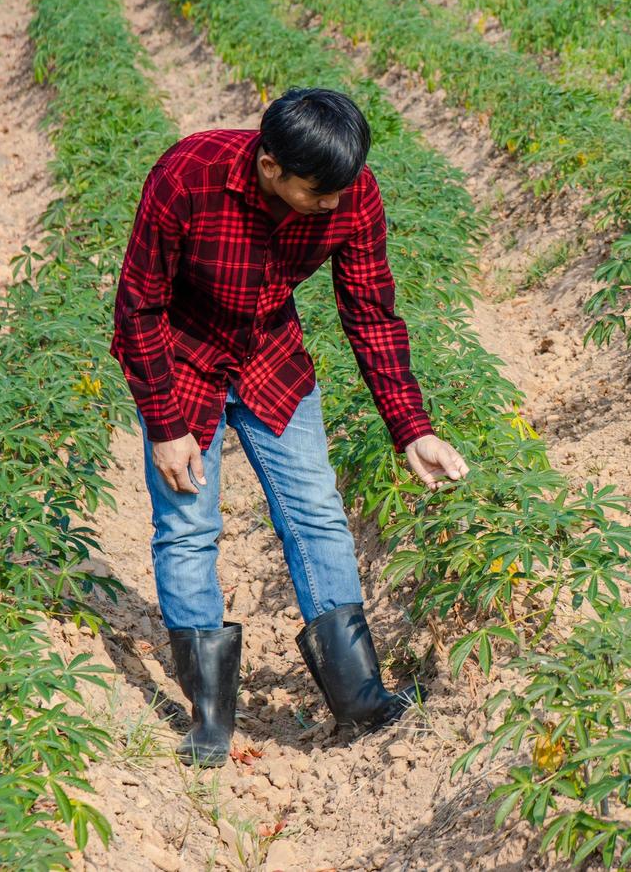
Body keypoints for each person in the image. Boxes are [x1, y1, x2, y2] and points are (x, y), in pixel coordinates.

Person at [110, 87, 469, 767]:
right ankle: (210, 720)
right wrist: (165, 425)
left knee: (317, 514)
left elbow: (371, 313)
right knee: (188, 525)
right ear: (269, 166)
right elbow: (139, 307)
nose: (334, 203)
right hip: (182, 360)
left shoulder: (349, 191)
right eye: (318, 191)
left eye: (343, 188)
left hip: (271, 358)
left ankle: (361, 699)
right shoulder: (188, 176)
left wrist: (411, 427)